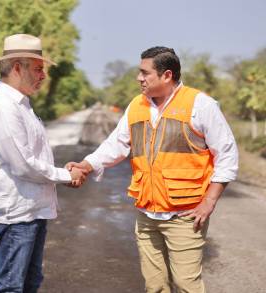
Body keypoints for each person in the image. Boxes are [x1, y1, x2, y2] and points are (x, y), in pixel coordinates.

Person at [67, 47, 238, 292]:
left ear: (167, 75)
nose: (139, 78)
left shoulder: (200, 105)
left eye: (144, 73)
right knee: (154, 286)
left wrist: (210, 201)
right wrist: (86, 165)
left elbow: (227, 155)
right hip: (146, 214)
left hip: (185, 216)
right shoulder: (136, 105)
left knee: (186, 284)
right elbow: (115, 144)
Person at [0, 33, 87, 293]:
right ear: (17, 68)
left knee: (29, 282)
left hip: (29, 211)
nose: (43, 75)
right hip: (17, 215)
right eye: (38, 69)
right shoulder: (4, 108)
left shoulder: (20, 104)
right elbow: (24, 165)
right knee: (11, 288)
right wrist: (66, 175)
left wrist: (65, 173)